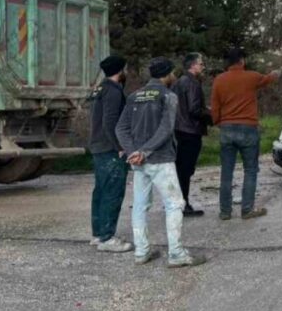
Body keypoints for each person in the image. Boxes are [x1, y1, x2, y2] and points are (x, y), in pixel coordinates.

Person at [115, 57, 205, 268]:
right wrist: (144, 152)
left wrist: (133, 152)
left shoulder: (134, 96)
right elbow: (165, 129)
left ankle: (141, 251)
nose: (174, 76)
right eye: (172, 72)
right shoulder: (168, 96)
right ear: (167, 74)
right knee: (175, 204)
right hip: (160, 159)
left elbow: (121, 128)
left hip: (138, 161)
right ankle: (176, 254)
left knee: (139, 205)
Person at [211, 48, 279, 220]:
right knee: (250, 170)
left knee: (226, 172)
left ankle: (225, 211)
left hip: (226, 129)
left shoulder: (219, 80)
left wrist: (219, 123)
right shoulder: (252, 77)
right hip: (248, 128)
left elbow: (215, 107)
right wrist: (276, 73)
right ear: (241, 60)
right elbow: (268, 79)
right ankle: (247, 210)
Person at [87, 55, 134, 253]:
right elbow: (110, 122)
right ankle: (107, 237)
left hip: (98, 146)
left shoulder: (100, 88)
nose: (128, 71)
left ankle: (98, 234)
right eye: (126, 68)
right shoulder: (113, 92)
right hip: (110, 148)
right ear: (120, 70)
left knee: (101, 191)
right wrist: (120, 146)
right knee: (112, 192)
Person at [173, 53, 209, 217]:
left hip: (178, 130)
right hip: (190, 131)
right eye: (201, 64)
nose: (203, 67)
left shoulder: (178, 82)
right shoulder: (193, 83)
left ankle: (179, 202)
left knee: (180, 169)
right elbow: (194, 110)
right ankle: (183, 204)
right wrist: (210, 115)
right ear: (193, 66)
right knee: (186, 170)